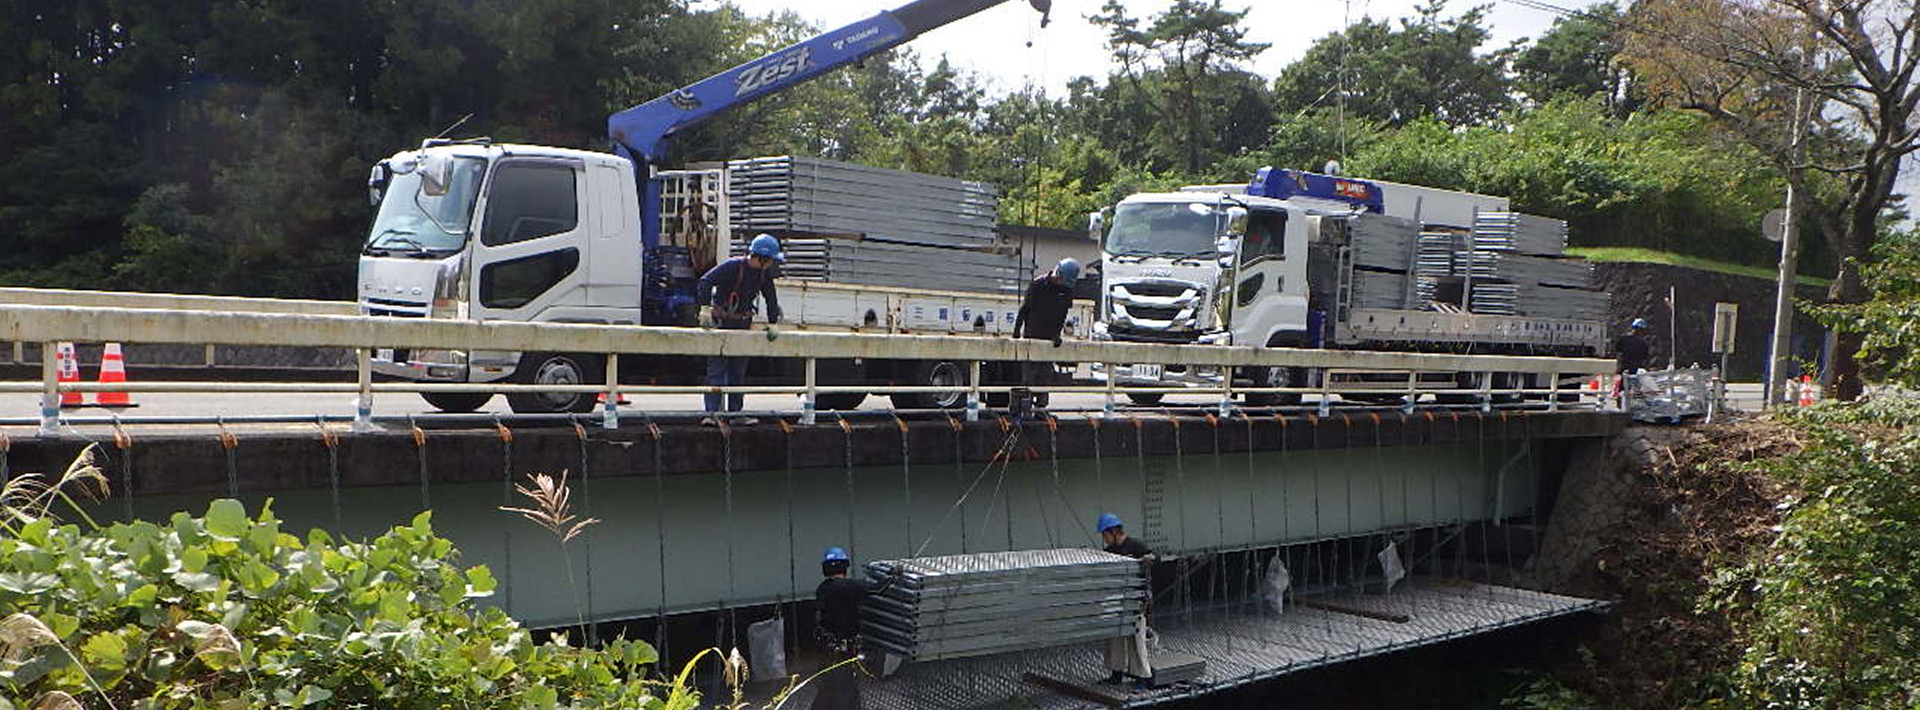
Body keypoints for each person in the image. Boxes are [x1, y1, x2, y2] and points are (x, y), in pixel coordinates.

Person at [696, 234, 784, 425]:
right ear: (763, 258)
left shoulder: (763, 274)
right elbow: (705, 281)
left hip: (742, 324)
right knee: (716, 370)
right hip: (722, 324)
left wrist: (773, 322)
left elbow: (771, 298)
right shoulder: (732, 266)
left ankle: (735, 414)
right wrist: (705, 308)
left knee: (738, 371)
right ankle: (712, 415)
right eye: (771, 260)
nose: (772, 265)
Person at [1096, 513, 1155, 685]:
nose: (1104, 539)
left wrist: (1149, 558)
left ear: (1113, 531)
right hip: (1116, 600)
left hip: (1135, 600)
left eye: (1104, 535)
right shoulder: (1108, 552)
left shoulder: (1135, 546)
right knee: (1115, 638)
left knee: (1135, 639)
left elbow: (1153, 557)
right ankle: (1116, 674)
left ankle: (1142, 677)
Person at [1013, 258, 1080, 405]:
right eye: (1061, 280)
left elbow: (1063, 314)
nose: (1062, 285)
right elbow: (1024, 310)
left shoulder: (1067, 290)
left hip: (1050, 340)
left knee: (1045, 376)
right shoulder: (1038, 285)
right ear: (1058, 273)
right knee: (1029, 375)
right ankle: (1025, 407)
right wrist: (1016, 333)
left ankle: (1041, 409)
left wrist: (1057, 335)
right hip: (1032, 336)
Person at [812, 546, 865, 710]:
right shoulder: (850, 587)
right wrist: (895, 575)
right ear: (844, 566)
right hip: (843, 654)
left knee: (827, 691)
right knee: (845, 694)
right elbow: (879, 589)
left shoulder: (822, 588)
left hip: (827, 653)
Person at [1613, 318, 1651, 406]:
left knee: (1622, 389)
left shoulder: (1623, 339)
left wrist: (1617, 367)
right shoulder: (1642, 342)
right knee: (1635, 390)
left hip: (1624, 369)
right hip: (1636, 370)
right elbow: (1645, 358)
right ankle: (1631, 406)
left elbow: (1618, 353)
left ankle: (1620, 405)